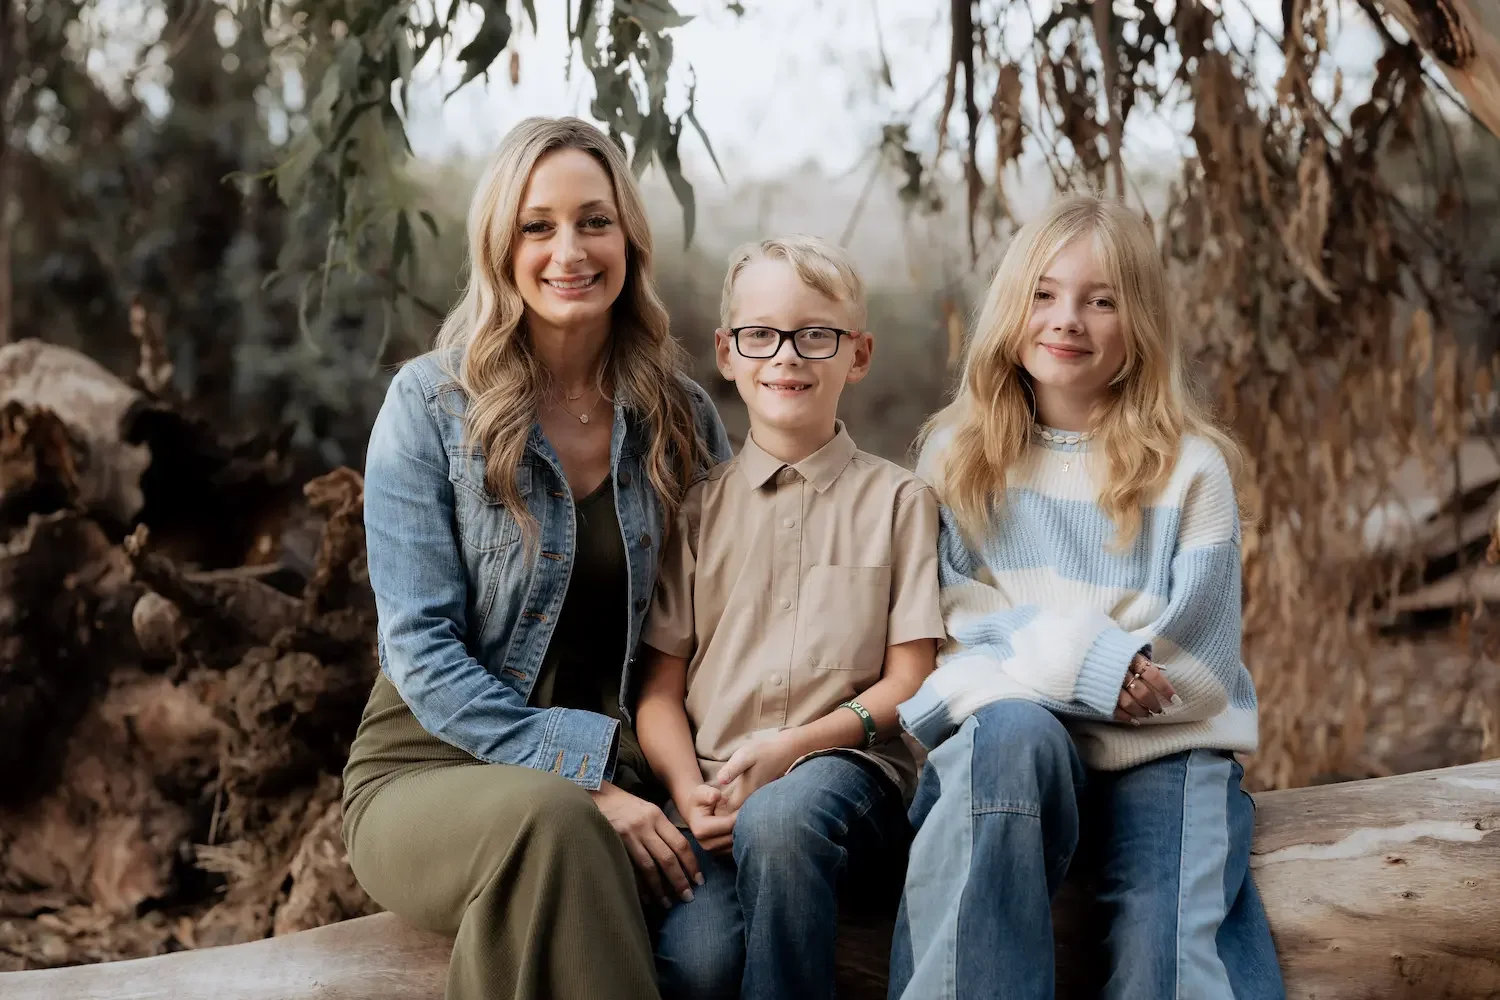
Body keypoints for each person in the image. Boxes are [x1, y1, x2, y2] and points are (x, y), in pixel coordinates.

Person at [340, 116, 733, 1000]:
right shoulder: (429, 406)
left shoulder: (681, 418)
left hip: (633, 777)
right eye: (537, 225)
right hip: (430, 772)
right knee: (556, 824)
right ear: (500, 245)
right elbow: (423, 657)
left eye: (595, 221)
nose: (570, 250)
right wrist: (582, 778)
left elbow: (720, 623)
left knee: (710, 957)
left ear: (628, 236)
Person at [887, 194, 1285, 1000]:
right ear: (1010, 307)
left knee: (1162, 948)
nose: (1067, 319)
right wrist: (1092, 659)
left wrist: (1053, 656)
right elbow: (954, 628)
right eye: (1044, 294)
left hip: (1162, 748)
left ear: (1137, 324)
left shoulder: (1191, 467)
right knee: (1006, 736)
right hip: (1017, 742)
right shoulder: (955, 455)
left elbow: (1194, 667)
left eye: (1100, 301)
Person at [634, 235, 945, 1000]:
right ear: (728, 353)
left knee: (781, 821)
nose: (787, 357)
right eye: (761, 336)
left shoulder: (900, 502)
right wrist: (687, 790)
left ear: (858, 354)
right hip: (710, 794)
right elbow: (659, 692)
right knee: (701, 964)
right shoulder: (696, 511)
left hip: (848, 781)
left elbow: (912, 678)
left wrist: (792, 750)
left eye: (816, 335)